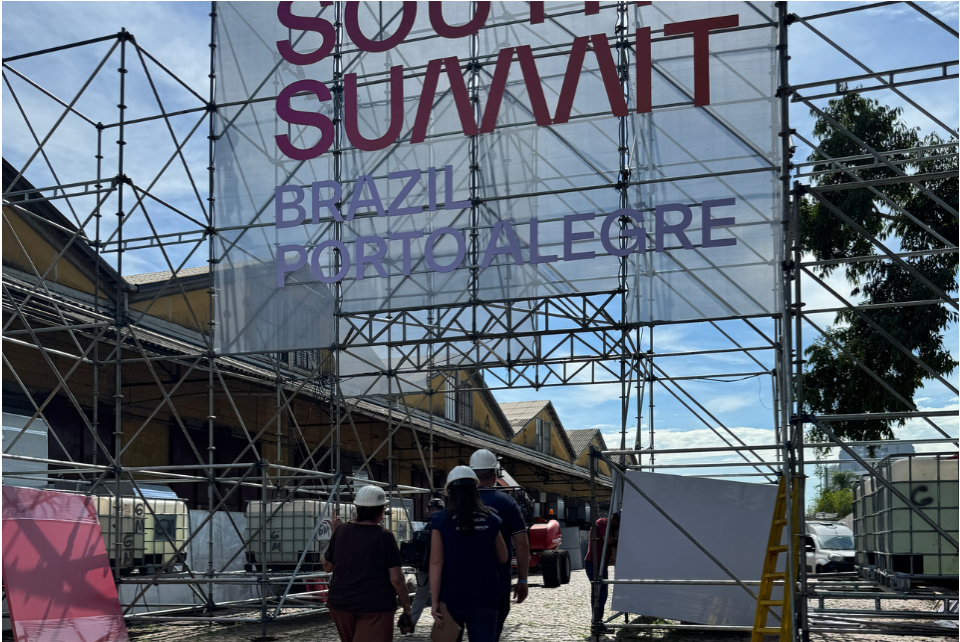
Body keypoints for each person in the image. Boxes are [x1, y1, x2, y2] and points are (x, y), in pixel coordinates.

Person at [322, 485, 412, 642]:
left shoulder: (341, 531)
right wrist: (407, 608)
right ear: (382, 511)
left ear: (357, 508)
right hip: (375, 606)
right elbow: (397, 579)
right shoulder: (385, 536)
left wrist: (335, 536)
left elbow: (327, 567)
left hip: (341, 604)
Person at [430, 466, 509, 642]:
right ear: (475, 491)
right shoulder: (491, 518)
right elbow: (503, 557)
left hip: (452, 597)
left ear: (449, 492)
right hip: (486, 596)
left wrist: (434, 602)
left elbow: (436, 562)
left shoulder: (441, 520)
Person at [469, 448, 530, 642]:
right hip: (497, 583)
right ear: (495, 475)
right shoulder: (506, 502)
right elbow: (522, 544)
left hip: (460, 584)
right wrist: (522, 580)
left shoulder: (457, 503)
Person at [409, 497, 445, 628]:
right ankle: (411, 623)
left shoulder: (435, 526)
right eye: (430, 509)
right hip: (426, 566)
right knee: (421, 594)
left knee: (438, 595)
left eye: (434, 509)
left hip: (437, 566)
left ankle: (443, 624)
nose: (431, 511)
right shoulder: (427, 526)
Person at [584, 511, 621, 634]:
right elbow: (608, 540)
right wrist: (617, 539)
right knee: (598, 594)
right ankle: (596, 624)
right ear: (616, 521)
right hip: (594, 563)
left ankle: (597, 622)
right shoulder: (602, 522)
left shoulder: (608, 526)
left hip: (601, 564)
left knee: (602, 594)